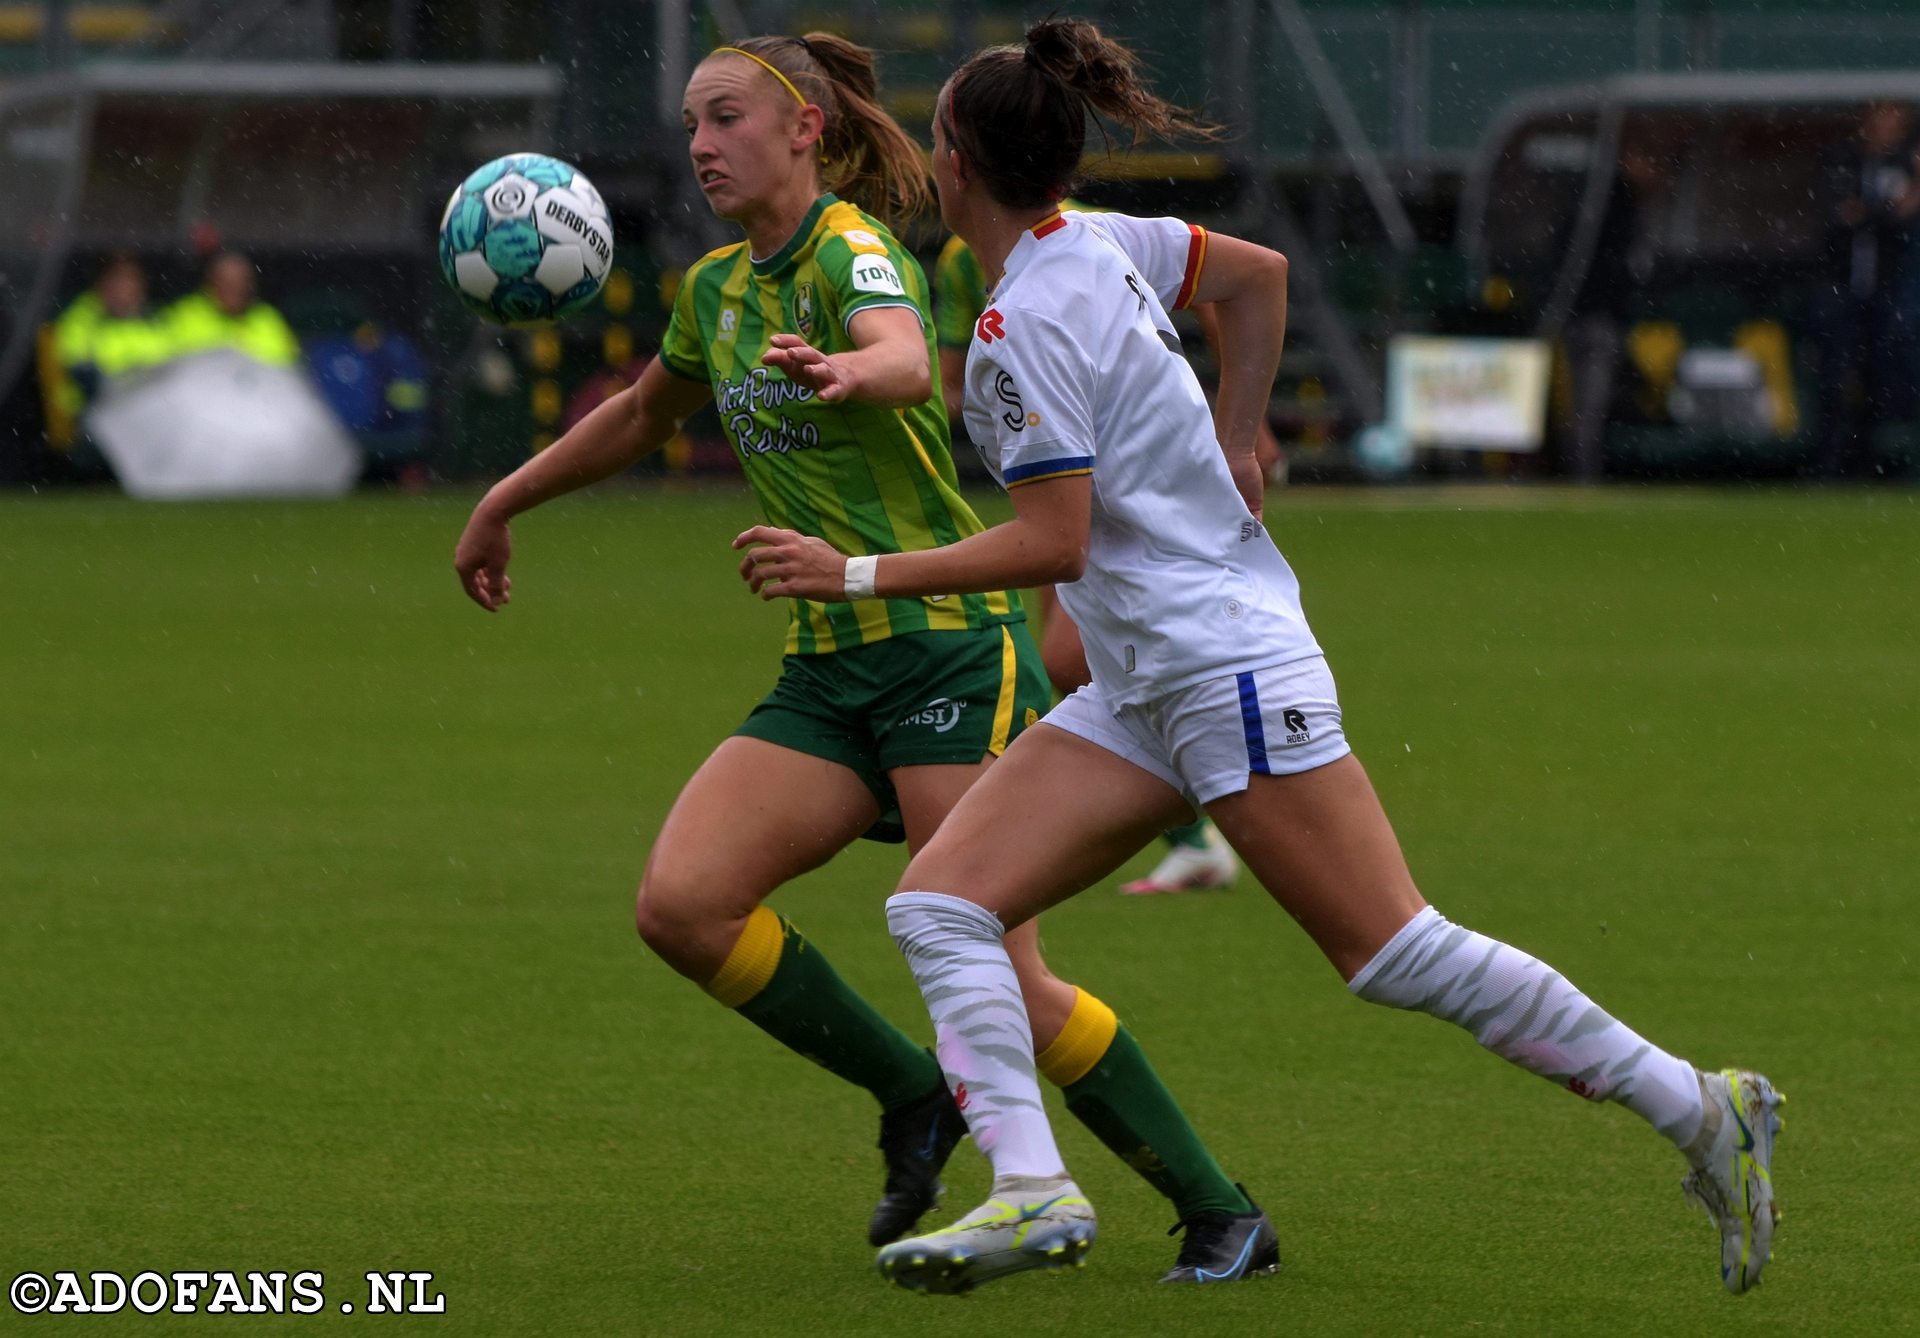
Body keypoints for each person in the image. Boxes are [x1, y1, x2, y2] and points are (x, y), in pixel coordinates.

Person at [733, 18, 1784, 1298]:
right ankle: (1031, 1191)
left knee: (1392, 951)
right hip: (1146, 682)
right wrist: (1242, 435)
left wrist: (853, 571)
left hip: (1218, 668)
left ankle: (1702, 1106)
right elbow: (1262, 277)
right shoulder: (1106, 241)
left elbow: (1052, 541)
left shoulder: (1016, 332)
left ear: (954, 165)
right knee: (944, 906)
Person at [453, 33, 1274, 1280]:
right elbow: (638, 415)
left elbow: (899, 354)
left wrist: (850, 369)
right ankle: (916, 1095)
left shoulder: (853, 248)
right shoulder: (717, 292)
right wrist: (504, 499)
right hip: (832, 665)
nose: (700, 143)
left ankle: (1219, 1207)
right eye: (689, 124)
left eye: (725, 116)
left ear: (805, 130)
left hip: (950, 652)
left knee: (1004, 963)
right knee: (683, 907)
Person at [936, 216, 1266, 897]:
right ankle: (1198, 830)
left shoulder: (1091, 234)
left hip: (1132, 489)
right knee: (1077, 653)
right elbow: (947, 380)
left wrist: (1244, 431)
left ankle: (1218, 794)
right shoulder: (965, 260)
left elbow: (1232, 283)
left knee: (1064, 658)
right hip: (1059, 475)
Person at [1814, 100, 1920, 479]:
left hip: (1885, 290)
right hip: (1841, 287)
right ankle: (1827, 465)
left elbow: (1895, 216)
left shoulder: (1904, 164)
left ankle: (1870, 466)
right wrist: (1890, 210)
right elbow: (1840, 216)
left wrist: (1874, 213)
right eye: (1884, 120)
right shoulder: (1842, 160)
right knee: (1835, 379)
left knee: (1884, 381)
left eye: (1898, 123)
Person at [163, 251, 301, 367]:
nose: (234, 288)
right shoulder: (186, 314)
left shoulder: (267, 319)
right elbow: (159, 355)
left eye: (241, 281)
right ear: (211, 283)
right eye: (226, 281)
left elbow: (285, 365)